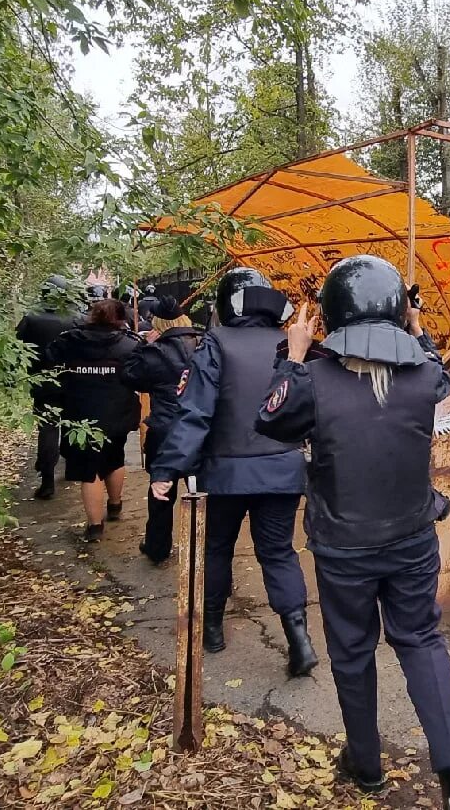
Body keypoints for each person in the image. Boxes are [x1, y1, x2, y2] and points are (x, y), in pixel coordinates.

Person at [255, 255, 450, 810]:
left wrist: (296, 356)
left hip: (342, 546)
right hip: (412, 539)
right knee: (422, 642)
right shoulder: (425, 375)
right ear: (398, 310)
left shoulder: (311, 381)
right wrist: (418, 328)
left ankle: (367, 762)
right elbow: (440, 373)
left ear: (332, 312)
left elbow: (271, 420)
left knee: (353, 653)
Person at [149, 268, 317, 678]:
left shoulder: (215, 344)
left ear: (225, 304)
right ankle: (300, 640)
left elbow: (194, 412)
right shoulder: (293, 345)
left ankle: (212, 631)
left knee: (217, 548)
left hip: (224, 475)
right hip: (282, 471)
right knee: (278, 552)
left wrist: (167, 468)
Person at [45, 298, 142, 542]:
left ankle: (94, 527)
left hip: (80, 416)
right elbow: (141, 375)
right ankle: (115, 504)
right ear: (121, 317)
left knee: (89, 470)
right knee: (115, 457)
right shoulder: (130, 344)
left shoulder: (69, 341)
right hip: (117, 413)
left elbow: (47, 363)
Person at [119, 301, 201, 564]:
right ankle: (203, 546)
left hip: (164, 430)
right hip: (198, 429)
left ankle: (157, 546)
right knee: (201, 492)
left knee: (161, 494)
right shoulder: (204, 347)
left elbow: (129, 375)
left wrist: (143, 345)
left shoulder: (155, 353)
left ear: (158, 325)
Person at [15, 274, 81, 500]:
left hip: (42, 382)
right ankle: (72, 467)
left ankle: (47, 480)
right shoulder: (75, 318)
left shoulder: (31, 318)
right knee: (73, 424)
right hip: (72, 380)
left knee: (48, 429)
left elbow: (16, 349)